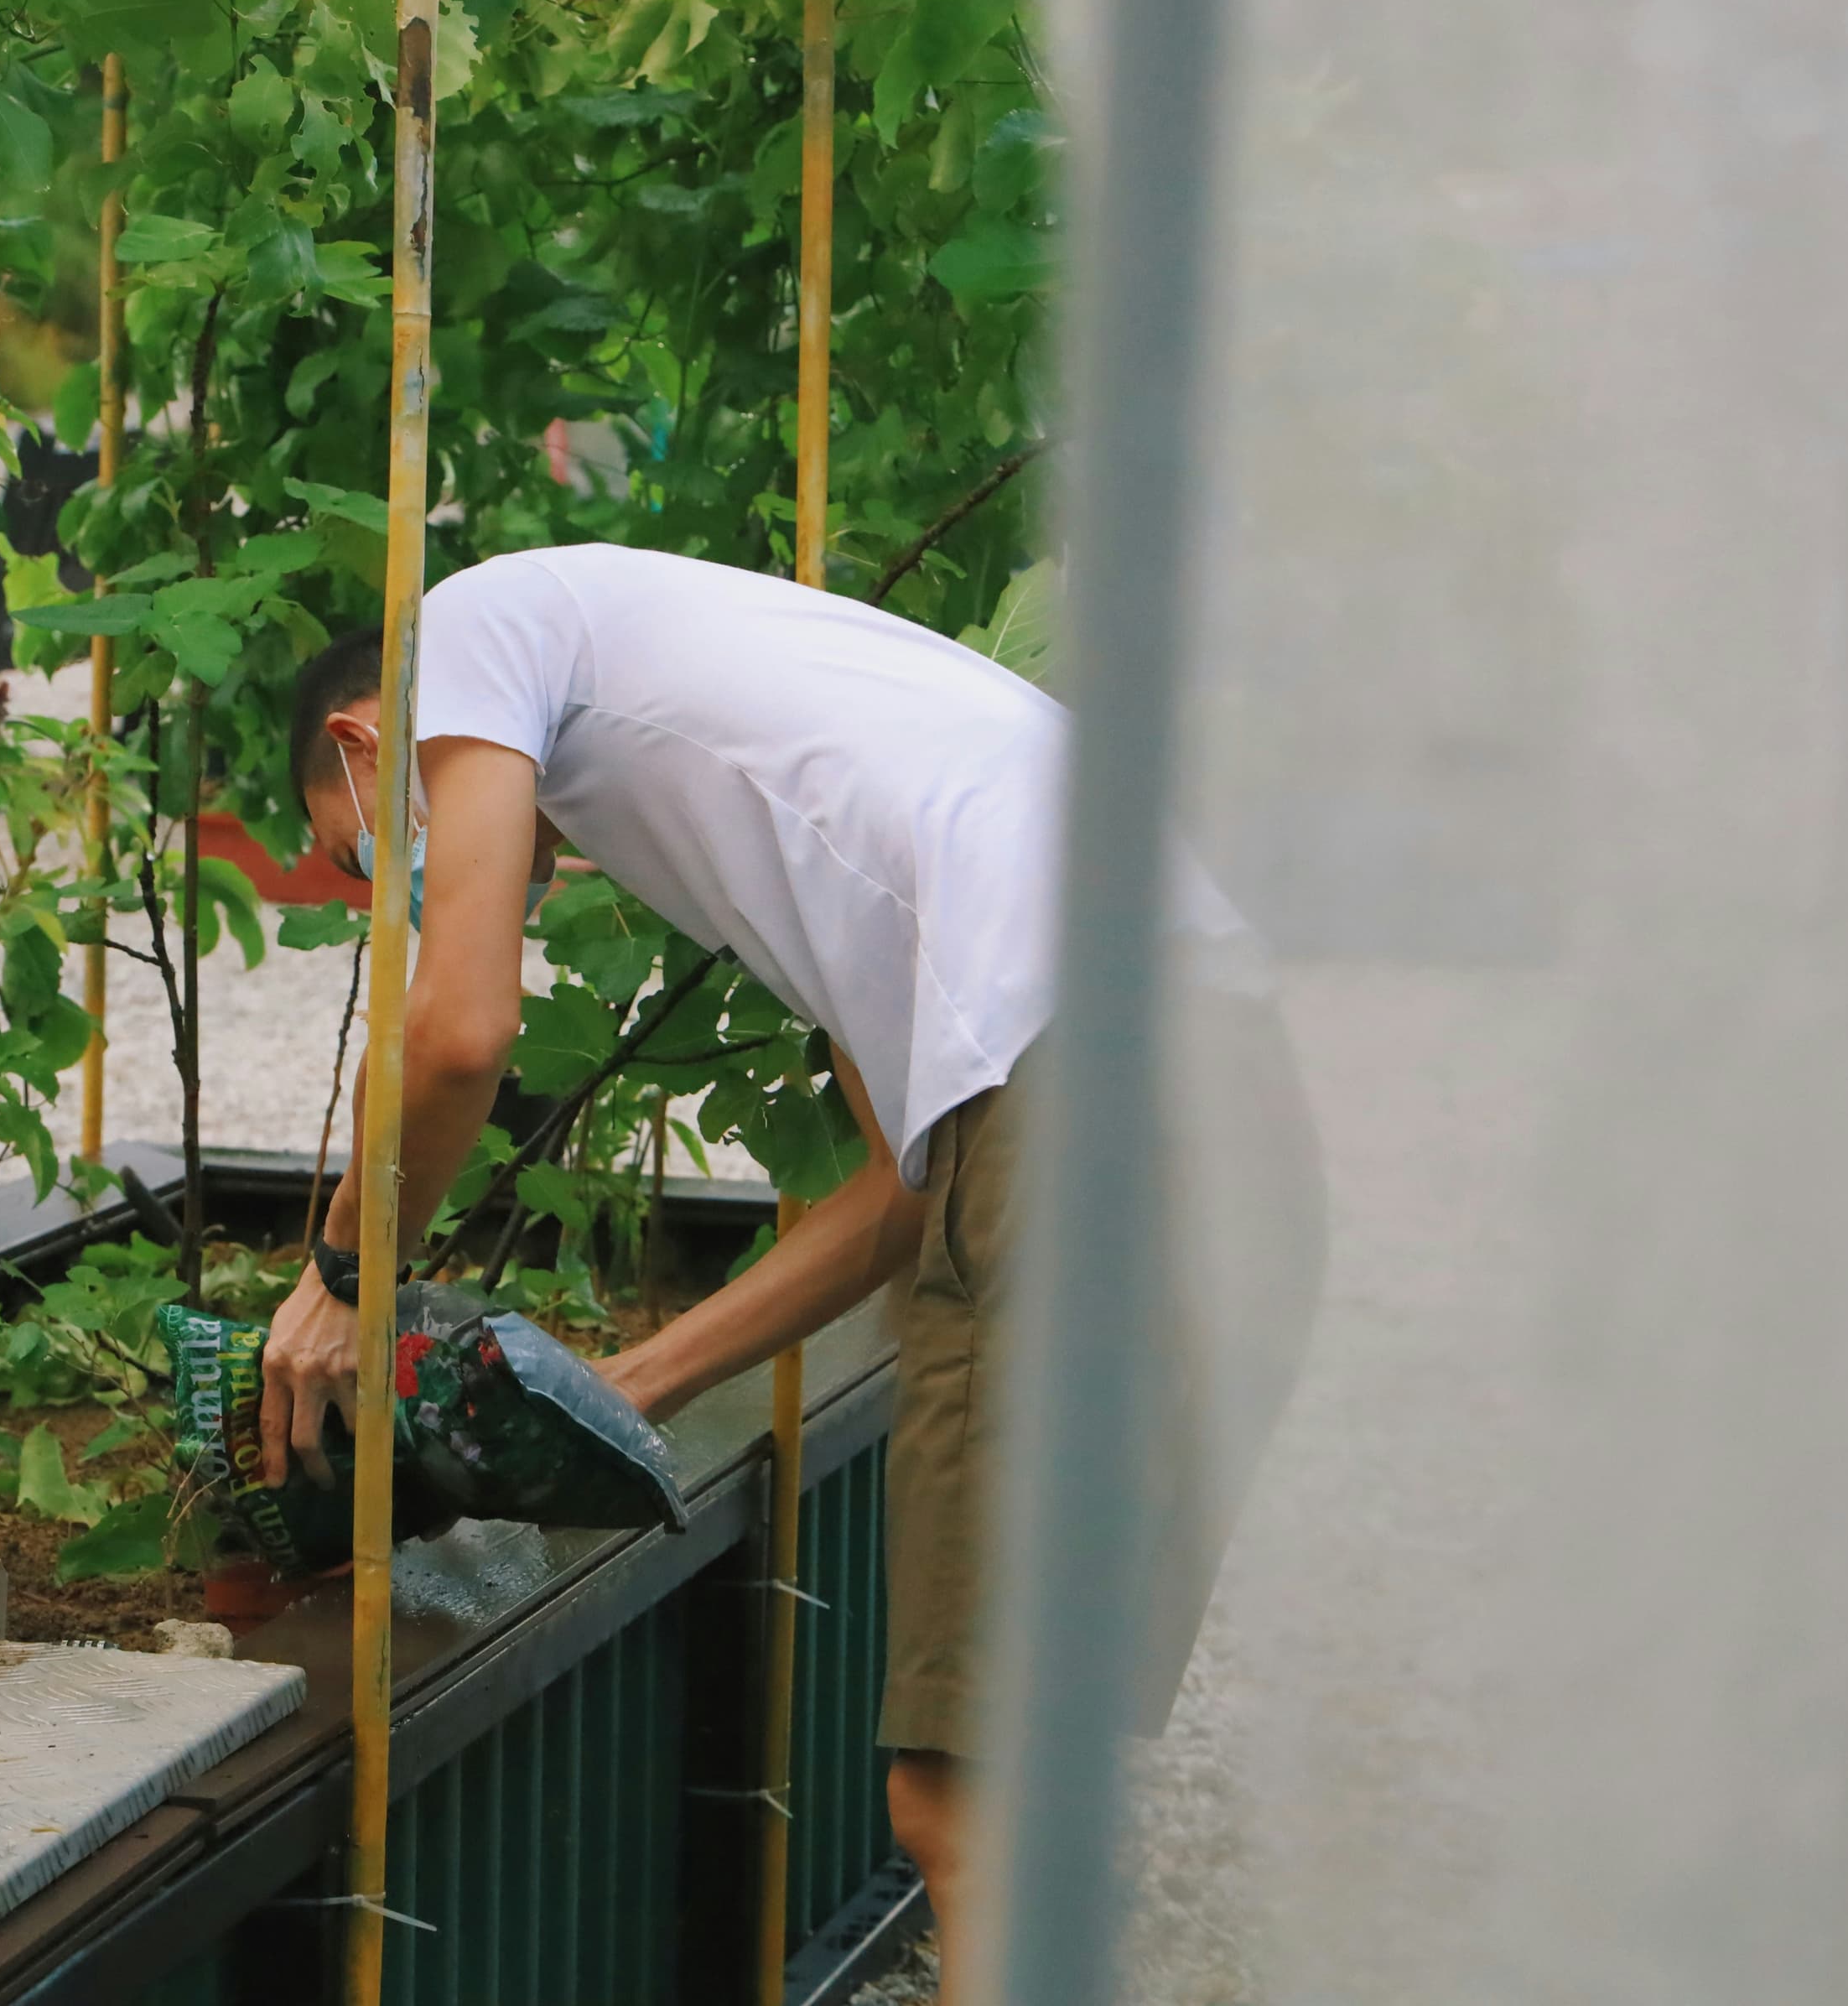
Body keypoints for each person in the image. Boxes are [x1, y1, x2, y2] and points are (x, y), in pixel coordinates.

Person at [253, 543, 1321, 1988]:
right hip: (1231, 1112)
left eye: (358, 851)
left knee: (966, 1802)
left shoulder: (477, 626)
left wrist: (338, 1277)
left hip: (1076, 1126)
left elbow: (458, 1032)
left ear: (361, 742)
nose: (385, 885)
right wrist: (626, 1382)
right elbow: (896, 1196)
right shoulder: (816, 763)